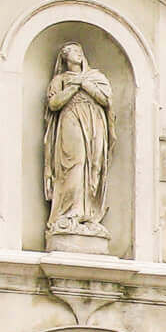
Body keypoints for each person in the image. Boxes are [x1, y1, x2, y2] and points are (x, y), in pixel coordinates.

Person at [43, 43, 114, 236]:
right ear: (65, 58)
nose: (78, 54)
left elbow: (106, 100)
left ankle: (89, 214)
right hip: (71, 119)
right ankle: (69, 213)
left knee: (94, 167)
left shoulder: (96, 77)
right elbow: (54, 103)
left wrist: (85, 84)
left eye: (80, 51)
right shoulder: (61, 80)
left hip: (95, 123)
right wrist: (73, 88)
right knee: (75, 162)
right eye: (73, 51)